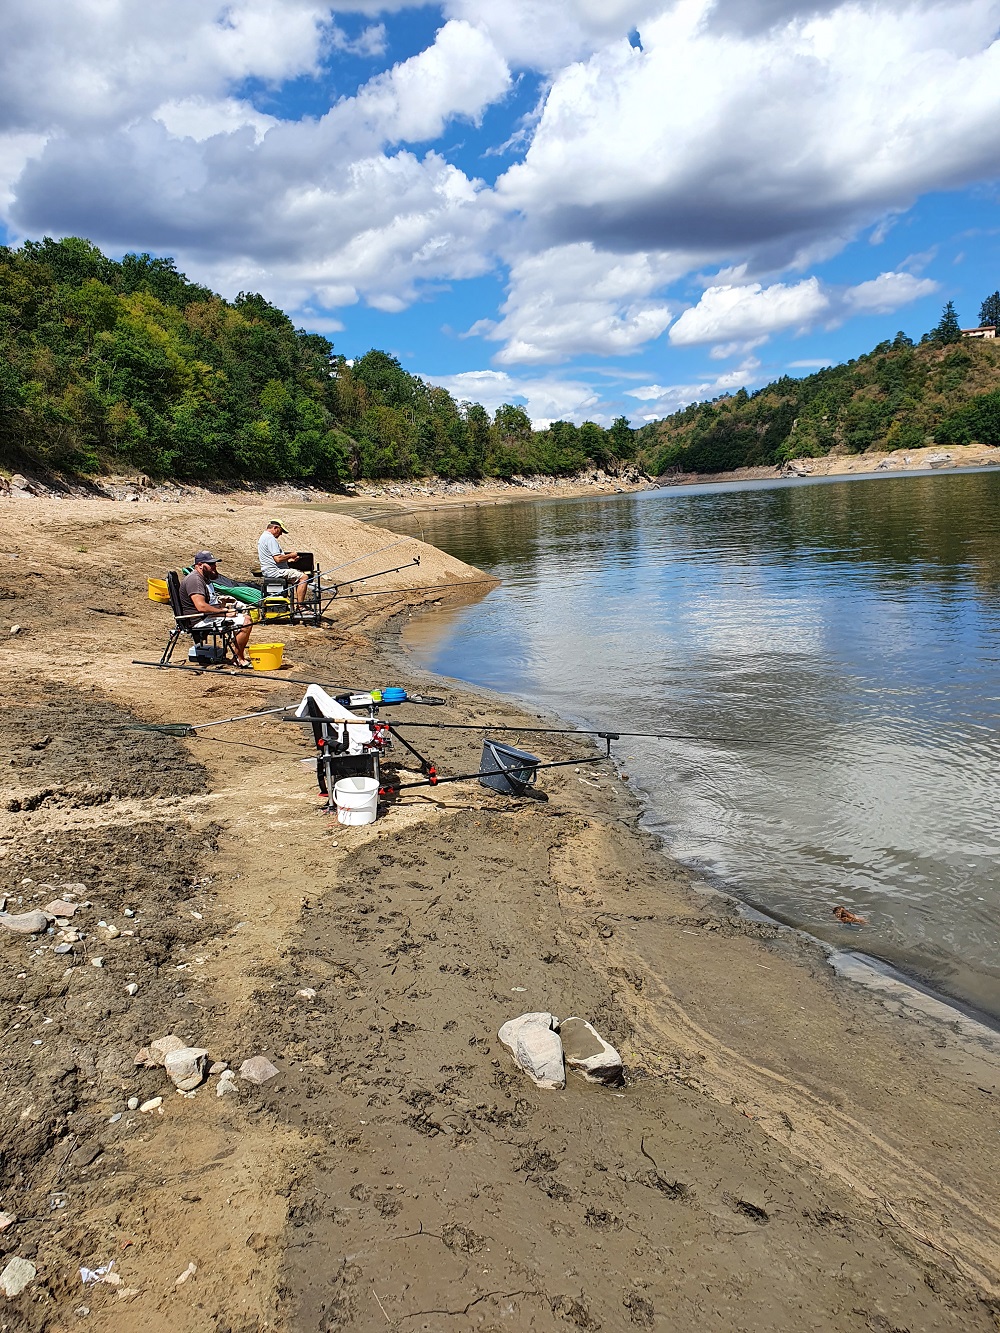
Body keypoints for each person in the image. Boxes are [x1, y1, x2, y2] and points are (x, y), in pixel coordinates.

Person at [178, 551, 254, 668]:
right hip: (199, 620)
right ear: (199, 565)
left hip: (208, 616)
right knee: (246, 622)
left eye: (214, 563)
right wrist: (223, 613)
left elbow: (210, 603)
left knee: (244, 617)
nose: (214, 566)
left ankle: (236, 655)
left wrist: (225, 606)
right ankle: (238, 658)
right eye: (210, 564)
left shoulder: (205, 578)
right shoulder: (195, 580)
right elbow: (201, 606)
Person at [257, 520, 311, 611]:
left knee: (298, 574)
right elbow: (278, 559)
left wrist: (289, 560)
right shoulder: (270, 538)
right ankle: (300, 606)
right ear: (275, 528)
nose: (281, 534)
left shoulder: (263, 537)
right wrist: (291, 555)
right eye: (281, 531)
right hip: (275, 571)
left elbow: (273, 559)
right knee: (304, 577)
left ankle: (296, 603)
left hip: (270, 570)